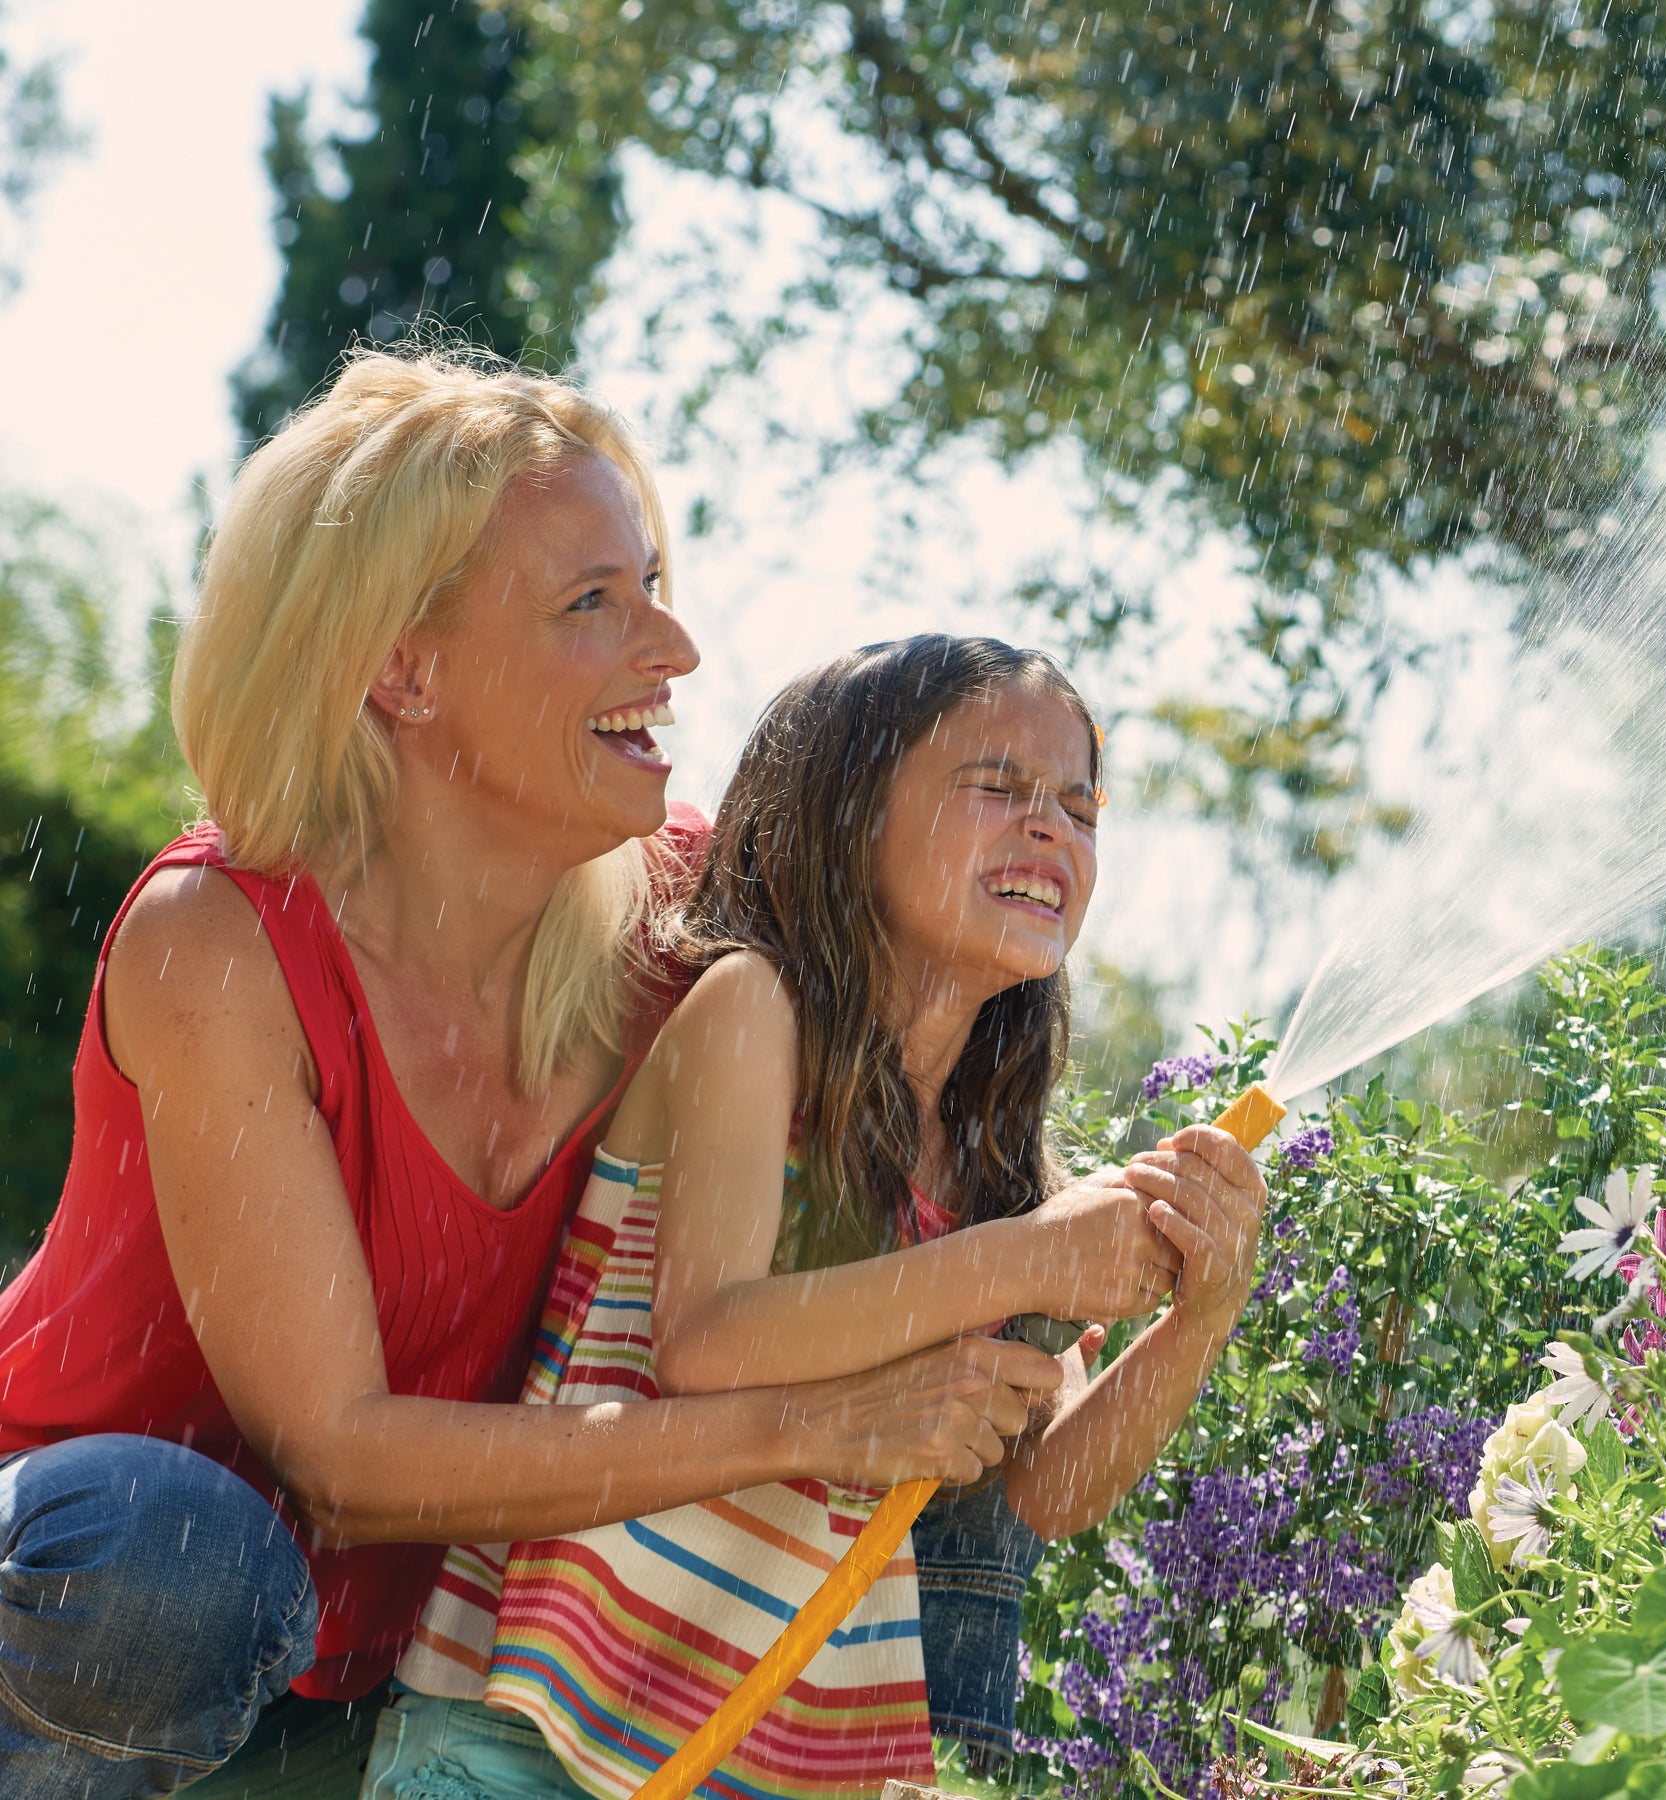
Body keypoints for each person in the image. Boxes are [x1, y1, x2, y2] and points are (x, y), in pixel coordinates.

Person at [0, 354, 1105, 1800]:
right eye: (598, 603)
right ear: (404, 664)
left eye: (654, 582)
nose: (679, 648)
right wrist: (805, 1426)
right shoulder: (220, 945)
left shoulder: (684, 928)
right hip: (103, 1615)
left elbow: (923, 995)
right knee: (184, 1562)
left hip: (414, 1677)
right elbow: (338, 1458)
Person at [360, 637, 1267, 1800]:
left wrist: (1202, 1309)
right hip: (527, 1731)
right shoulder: (755, 1008)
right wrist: (1028, 1258)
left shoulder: (999, 1164)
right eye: (997, 786)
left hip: (752, 1765)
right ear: (846, 815)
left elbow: (1048, 1489)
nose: (1051, 829)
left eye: (1081, 809)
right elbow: (709, 1339)